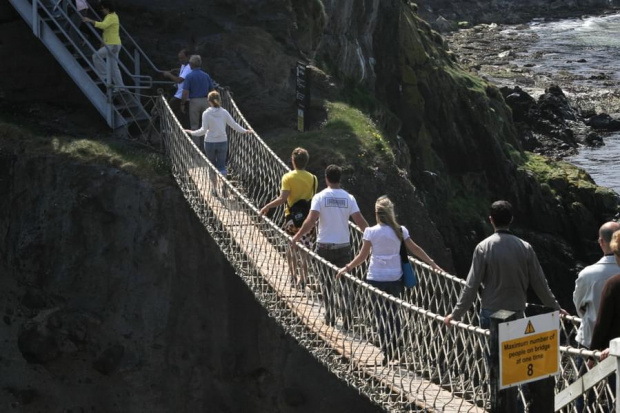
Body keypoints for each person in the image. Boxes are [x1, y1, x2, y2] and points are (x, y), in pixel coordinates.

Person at [337, 196, 443, 363]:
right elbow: (414, 248)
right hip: (395, 277)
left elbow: (362, 256)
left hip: (376, 278)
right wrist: (432, 264)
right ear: (391, 212)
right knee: (393, 313)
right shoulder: (400, 230)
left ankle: (387, 350)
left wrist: (347, 268)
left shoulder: (370, 232)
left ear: (376, 214)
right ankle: (395, 348)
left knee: (380, 315)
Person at [444, 200, 562, 329]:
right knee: (513, 348)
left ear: (491, 219)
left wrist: (456, 314)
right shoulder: (525, 247)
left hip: (491, 310)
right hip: (516, 311)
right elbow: (540, 283)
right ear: (511, 219)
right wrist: (556, 308)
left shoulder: (483, 247)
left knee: (492, 348)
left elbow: (472, 285)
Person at [291, 164, 369, 329]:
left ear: (326, 178)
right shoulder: (349, 198)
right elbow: (360, 222)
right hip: (344, 247)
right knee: (345, 283)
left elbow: (310, 221)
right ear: (340, 179)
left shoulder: (319, 197)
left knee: (326, 283)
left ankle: (330, 317)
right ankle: (348, 317)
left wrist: (297, 236)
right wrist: (373, 239)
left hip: (324, 247)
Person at [572, 222, 620, 412]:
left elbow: (580, 307)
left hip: (592, 344)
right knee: (614, 395)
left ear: (601, 242)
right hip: (614, 348)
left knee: (582, 391)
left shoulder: (588, 274)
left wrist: (594, 350)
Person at [260, 148, 317, 288]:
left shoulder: (287, 177)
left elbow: (282, 199)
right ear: (306, 161)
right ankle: (303, 280)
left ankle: (292, 276)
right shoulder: (313, 178)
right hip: (308, 220)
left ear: (293, 161)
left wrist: (267, 206)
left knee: (291, 247)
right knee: (305, 250)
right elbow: (312, 199)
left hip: (291, 219)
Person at [184, 91, 252, 196]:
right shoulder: (224, 112)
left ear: (209, 101)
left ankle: (214, 190)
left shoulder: (206, 113)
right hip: (222, 142)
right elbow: (234, 125)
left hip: (210, 142)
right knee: (222, 166)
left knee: (212, 166)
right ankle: (224, 186)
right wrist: (245, 131)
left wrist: (191, 132)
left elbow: (203, 130)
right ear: (219, 100)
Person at [83, 1, 125, 92]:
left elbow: (103, 26)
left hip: (111, 44)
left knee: (96, 57)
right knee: (114, 66)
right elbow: (107, 31)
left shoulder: (111, 17)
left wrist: (90, 20)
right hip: (115, 44)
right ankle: (120, 86)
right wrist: (103, 43)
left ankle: (105, 75)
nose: (102, 10)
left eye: (103, 8)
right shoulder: (114, 16)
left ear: (107, 8)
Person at [181, 54, 215, 147]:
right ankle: (208, 144)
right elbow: (212, 90)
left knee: (194, 125)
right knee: (207, 124)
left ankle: (196, 146)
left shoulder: (189, 76)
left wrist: (183, 103)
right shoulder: (206, 76)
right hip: (206, 101)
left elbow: (185, 92)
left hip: (194, 102)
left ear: (191, 64)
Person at [162, 49, 192, 128]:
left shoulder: (189, 67)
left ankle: (171, 128)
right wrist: (176, 70)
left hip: (182, 94)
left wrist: (169, 75)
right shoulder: (184, 65)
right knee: (183, 115)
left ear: (188, 57)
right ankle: (180, 129)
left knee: (168, 109)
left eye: (182, 58)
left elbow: (179, 80)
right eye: (179, 58)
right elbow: (183, 72)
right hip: (181, 93)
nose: (180, 60)